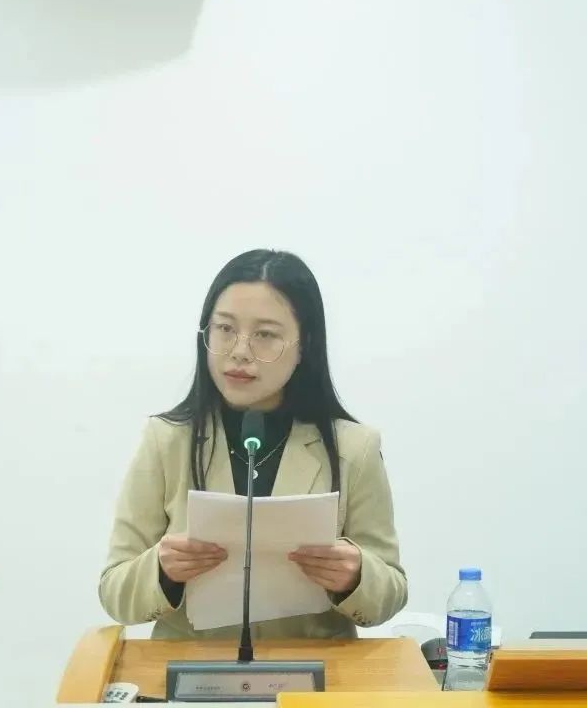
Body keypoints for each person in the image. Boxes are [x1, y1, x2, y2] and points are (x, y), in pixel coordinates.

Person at [99, 249, 407, 639]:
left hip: (314, 670)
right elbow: (114, 590)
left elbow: (391, 591)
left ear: (305, 345)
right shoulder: (166, 440)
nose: (239, 351)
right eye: (225, 328)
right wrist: (161, 570)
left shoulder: (354, 448)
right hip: (191, 670)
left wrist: (356, 575)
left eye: (265, 335)